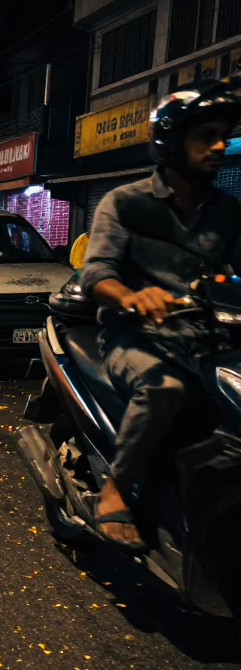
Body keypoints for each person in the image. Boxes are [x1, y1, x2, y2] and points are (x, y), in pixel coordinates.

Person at [80, 80, 241, 551]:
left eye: (223, 136)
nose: (218, 147)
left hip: (209, 341)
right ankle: (114, 489)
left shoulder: (229, 212)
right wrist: (133, 297)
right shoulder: (125, 202)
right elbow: (96, 275)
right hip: (136, 339)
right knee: (164, 389)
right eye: (205, 136)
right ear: (171, 143)